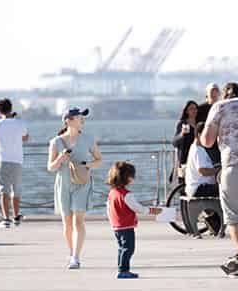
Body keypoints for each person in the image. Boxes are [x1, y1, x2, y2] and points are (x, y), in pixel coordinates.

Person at [201, 82, 238, 277]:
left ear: (226, 95)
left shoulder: (220, 107)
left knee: (235, 218)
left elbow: (207, 140)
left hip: (234, 168)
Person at [47, 108, 104, 269]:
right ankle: (72, 252)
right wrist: (60, 158)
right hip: (63, 183)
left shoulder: (88, 138)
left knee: (78, 221)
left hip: (82, 182)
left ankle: (76, 257)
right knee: (67, 223)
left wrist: (88, 165)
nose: (82, 120)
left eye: (82, 118)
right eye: (79, 117)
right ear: (68, 120)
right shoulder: (56, 142)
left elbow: (99, 160)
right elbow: (50, 167)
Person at [106, 161, 161, 279]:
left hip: (116, 226)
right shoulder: (126, 195)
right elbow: (138, 208)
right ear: (127, 178)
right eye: (132, 176)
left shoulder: (112, 193)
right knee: (128, 248)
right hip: (126, 226)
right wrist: (152, 210)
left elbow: (109, 208)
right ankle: (123, 270)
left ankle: (122, 268)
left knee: (122, 248)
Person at [0, 98, 29, 229]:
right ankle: (16, 216)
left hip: (2, 160)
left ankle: (6, 219)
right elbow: (26, 138)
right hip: (17, 160)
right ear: (11, 108)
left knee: (3, 191)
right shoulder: (19, 123)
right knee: (16, 190)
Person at [185, 123, 219, 198]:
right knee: (227, 189)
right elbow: (203, 171)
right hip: (200, 188)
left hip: (201, 187)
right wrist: (218, 170)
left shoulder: (197, 148)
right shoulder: (198, 150)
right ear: (200, 134)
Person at [172, 100, 199, 181]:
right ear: (186, 111)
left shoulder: (199, 123)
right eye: (191, 109)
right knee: (184, 182)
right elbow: (174, 142)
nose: (194, 111)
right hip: (185, 158)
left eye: (195, 108)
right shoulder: (183, 123)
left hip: (198, 156)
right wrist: (182, 134)